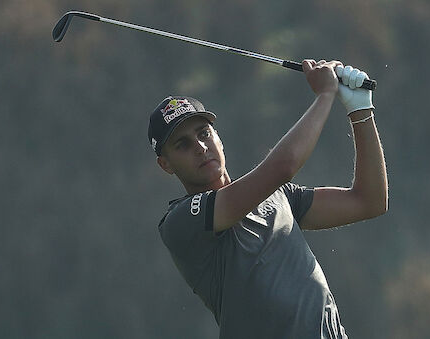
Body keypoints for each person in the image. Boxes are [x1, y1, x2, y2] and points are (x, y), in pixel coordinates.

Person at [149, 60, 388, 339]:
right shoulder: (180, 222)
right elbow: (283, 166)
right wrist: (325, 96)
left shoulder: (280, 196)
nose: (201, 147)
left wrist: (360, 112)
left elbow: (369, 201)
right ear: (166, 165)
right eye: (183, 144)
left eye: (204, 134)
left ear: (219, 138)